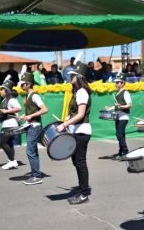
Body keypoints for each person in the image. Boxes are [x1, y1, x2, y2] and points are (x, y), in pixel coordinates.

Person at [56, 61, 92, 205]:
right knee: (76, 162)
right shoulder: (77, 91)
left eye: (73, 75)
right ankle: (82, 187)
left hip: (82, 131)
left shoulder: (82, 92)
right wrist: (66, 120)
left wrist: (65, 124)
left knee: (80, 162)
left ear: (80, 77)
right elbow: (74, 113)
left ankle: (84, 193)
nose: (70, 77)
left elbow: (81, 114)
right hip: (76, 130)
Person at [18, 73, 48, 185]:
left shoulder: (34, 96)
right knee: (33, 151)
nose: (21, 85)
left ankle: (36, 176)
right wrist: (24, 115)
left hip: (34, 126)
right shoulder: (28, 96)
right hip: (31, 125)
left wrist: (31, 116)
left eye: (23, 84)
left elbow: (45, 109)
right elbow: (31, 111)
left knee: (30, 151)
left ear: (29, 84)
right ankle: (36, 173)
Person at [104, 73, 132, 160]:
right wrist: (110, 108)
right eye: (115, 82)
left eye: (118, 82)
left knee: (119, 134)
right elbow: (117, 105)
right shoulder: (117, 93)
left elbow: (130, 105)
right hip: (118, 116)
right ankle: (121, 151)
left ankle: (125, 151)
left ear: (123, 83)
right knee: (120, 134)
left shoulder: (125, 92)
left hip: (123, 116)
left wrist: (121, 107)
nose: (116, 84)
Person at [0, 77, 22, 170]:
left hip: (10, 124)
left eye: (1, 90)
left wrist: (7, 111)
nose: (0, 92)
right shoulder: (4, 100)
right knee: (9, 143)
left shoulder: (11, 99)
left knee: (3, 142)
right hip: (7, 124)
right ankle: (11, 160)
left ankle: (12, 161)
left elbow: (18, 108)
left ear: (6, 90)